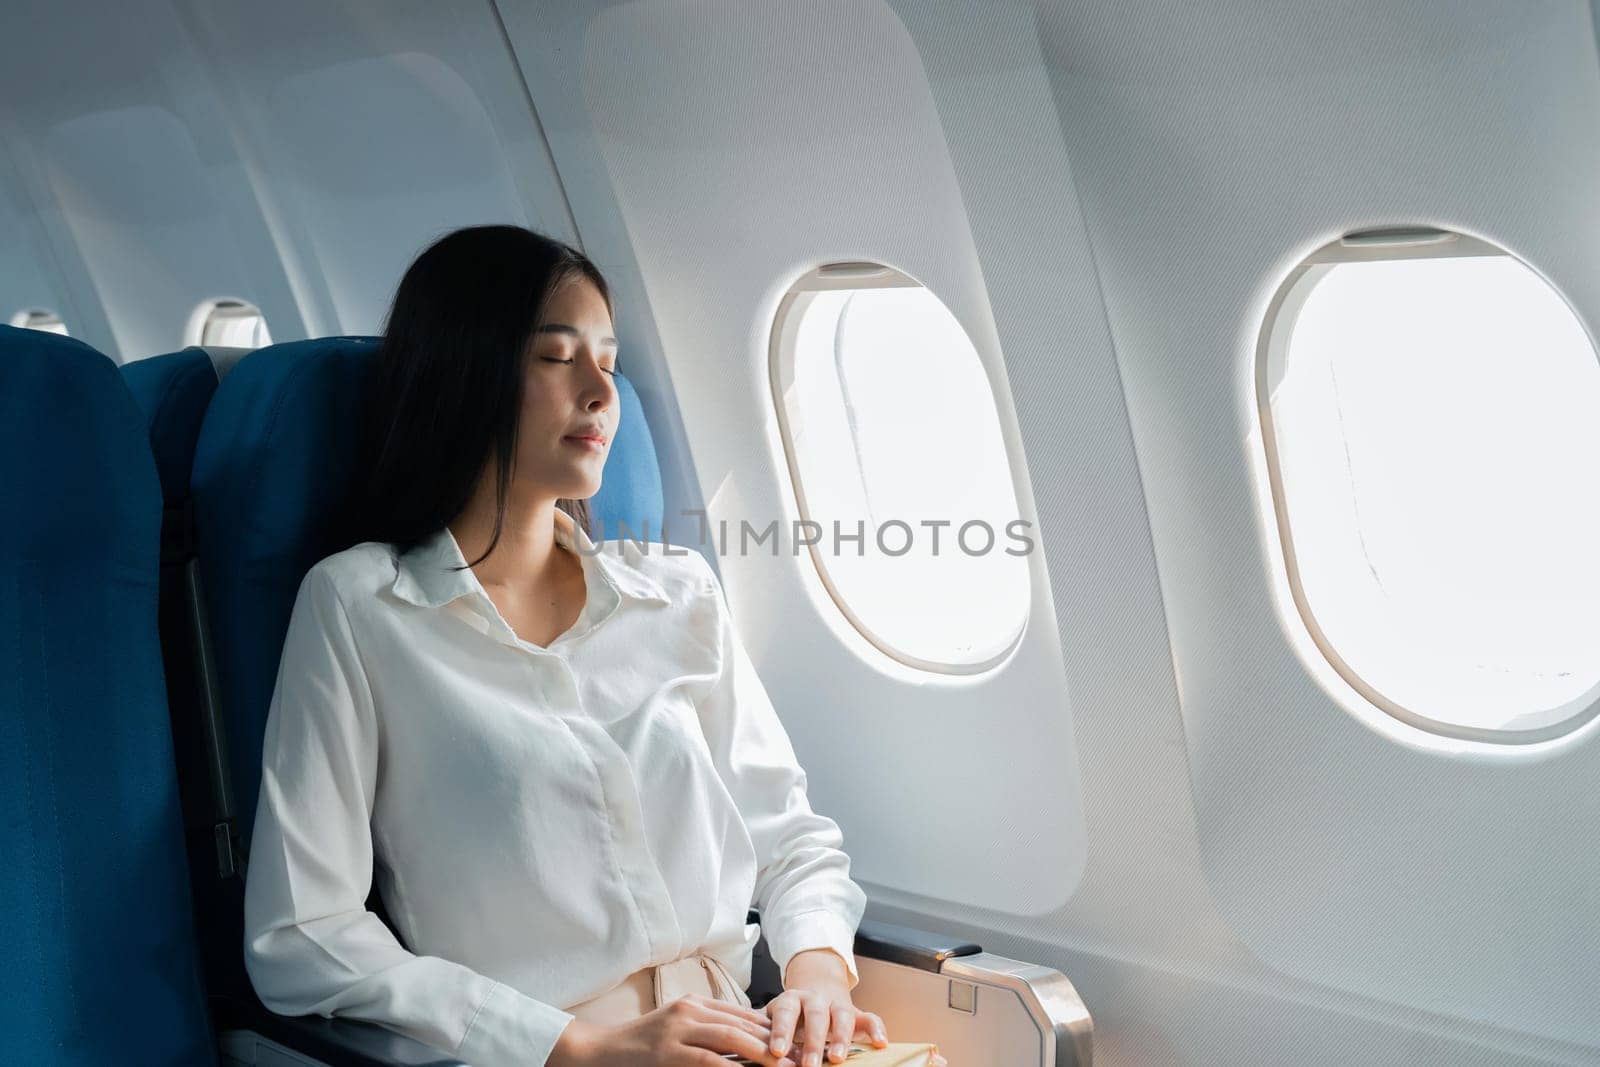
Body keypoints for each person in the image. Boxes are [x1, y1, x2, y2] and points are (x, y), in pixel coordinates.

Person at [241, 225, 947, 1067]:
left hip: (745, 1038)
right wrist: (571, 1047)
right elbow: (301, 933)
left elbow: (788, 840)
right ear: (468, 371)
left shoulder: (678, 592)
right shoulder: (361, 608)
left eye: (609, 360)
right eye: (556, 356)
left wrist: (820, 976)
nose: (601, 390)